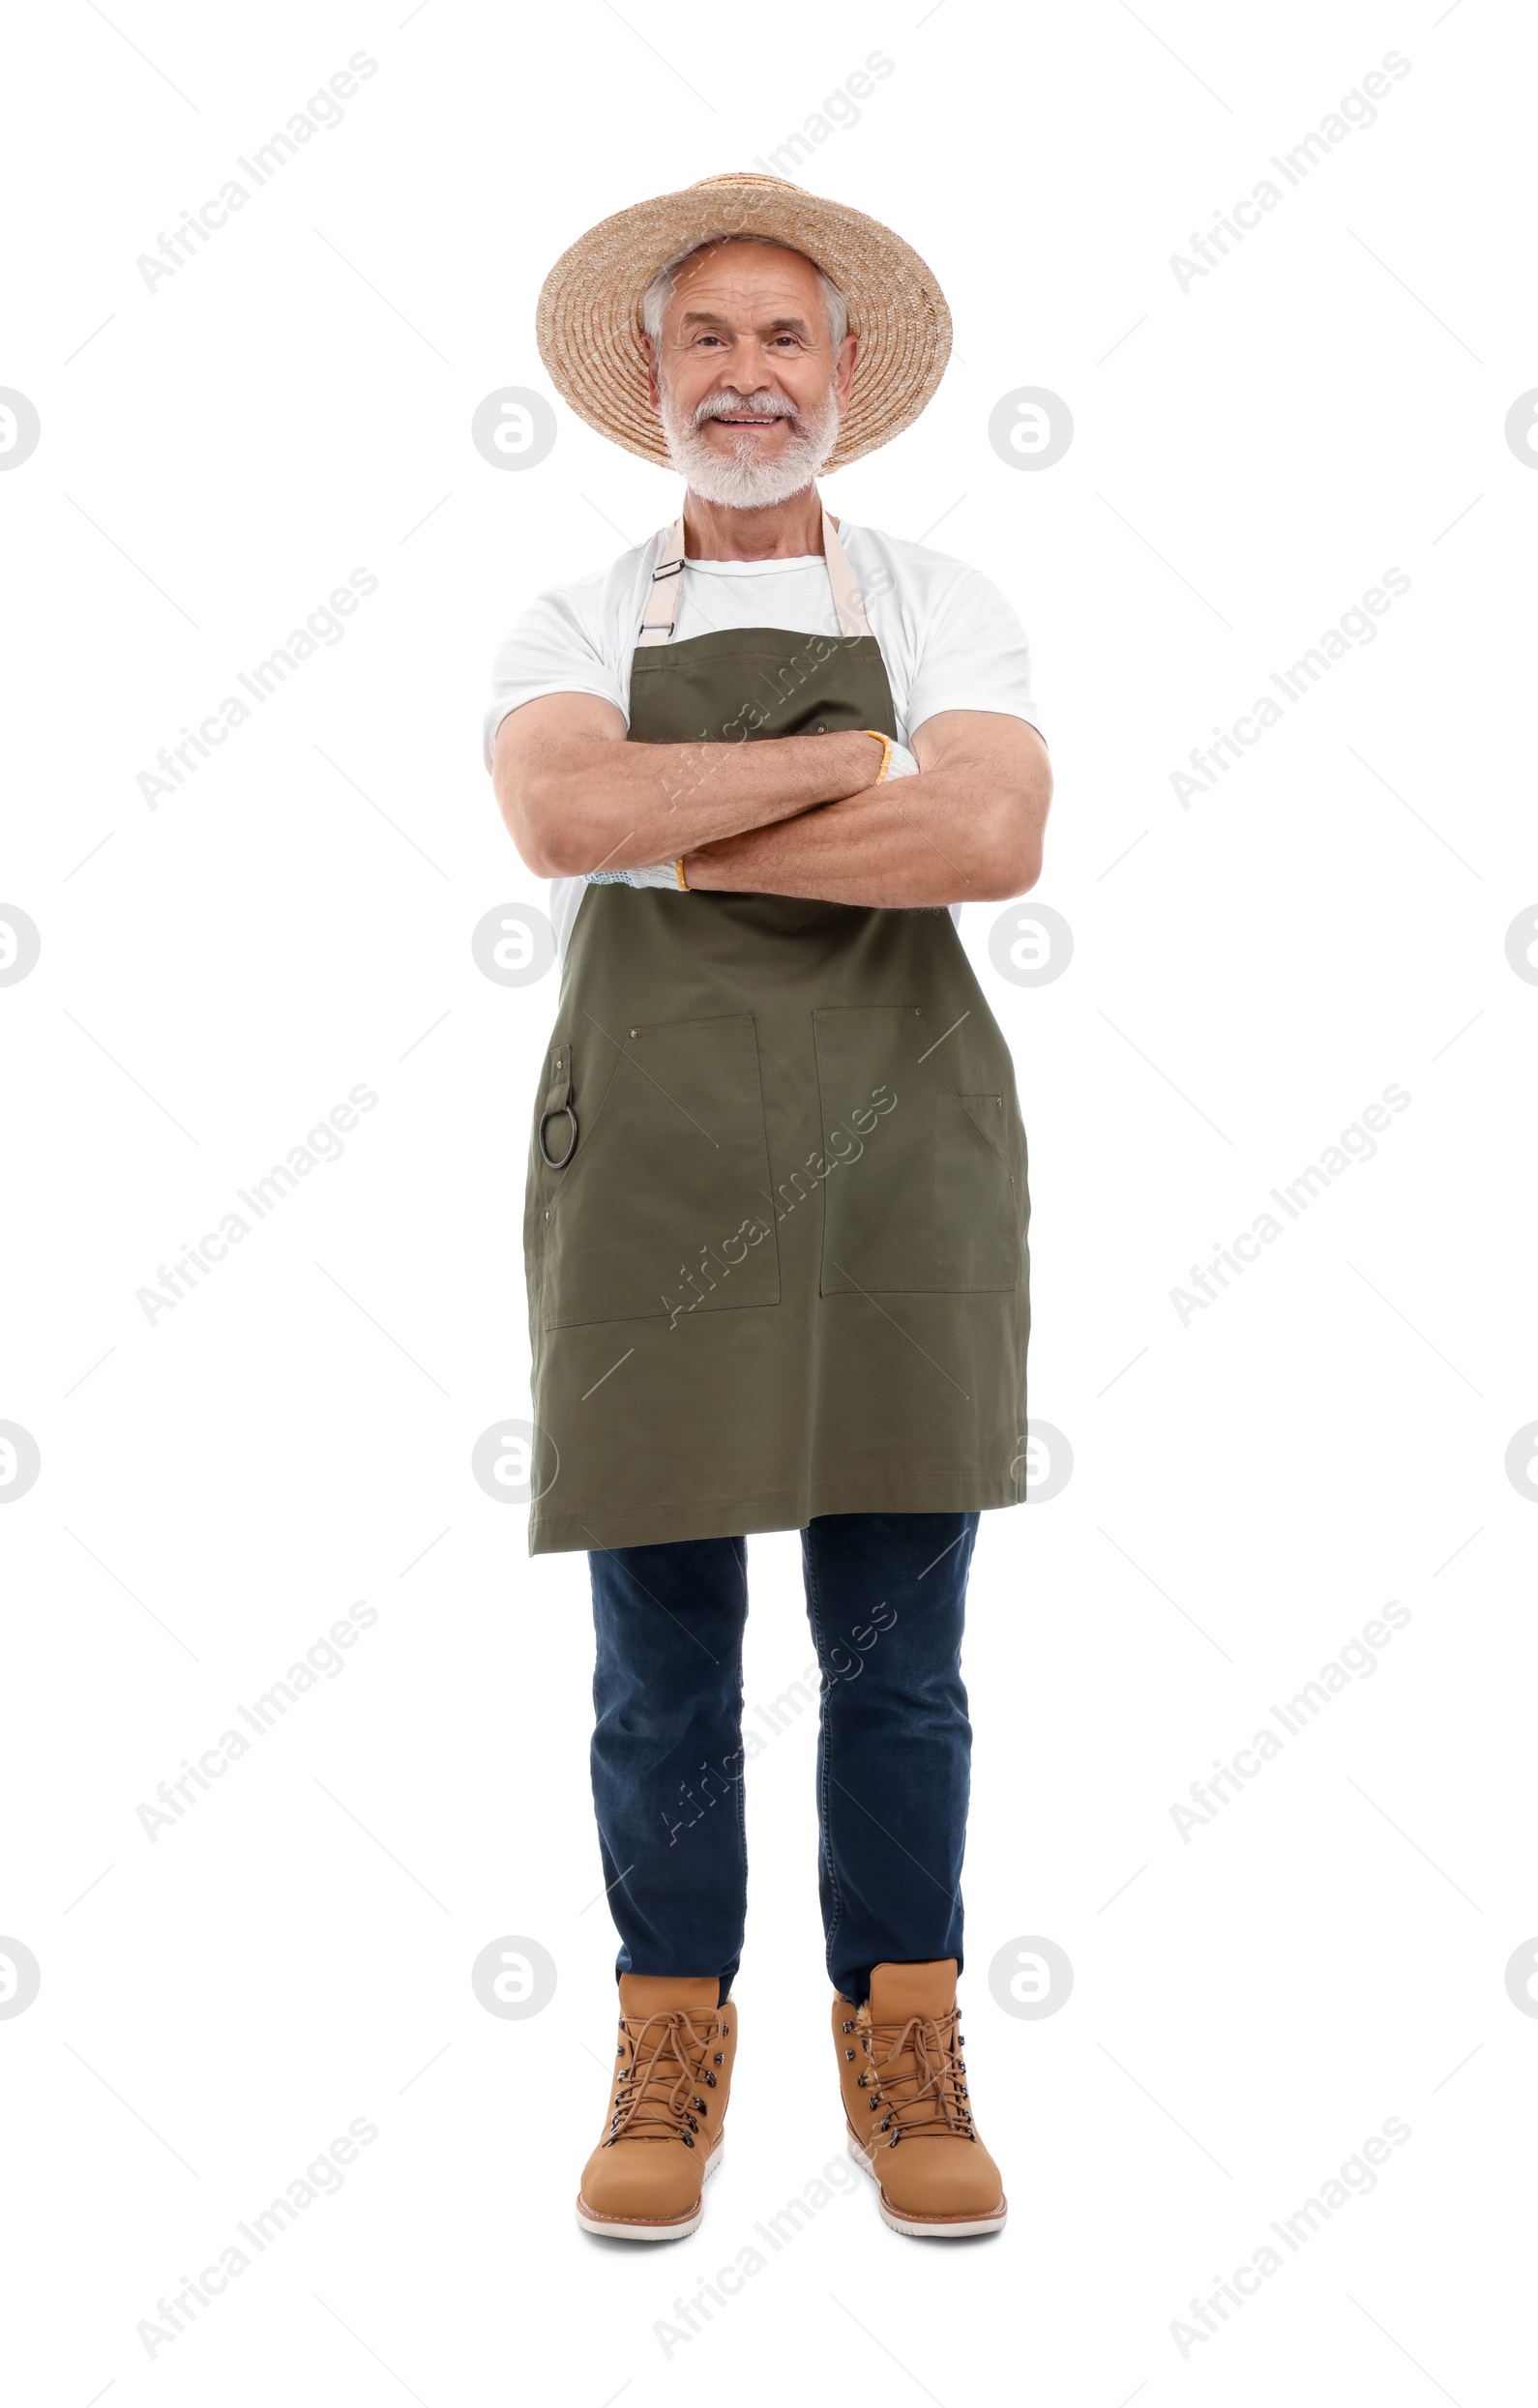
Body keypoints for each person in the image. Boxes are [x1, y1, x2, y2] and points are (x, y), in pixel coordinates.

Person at [485, 172, 1052, 2242]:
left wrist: (686, 826)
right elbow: (562, 804)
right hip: (651, 1182)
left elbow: (985, 835)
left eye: (780, 337)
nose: (745, 375)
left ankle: (902, 2045)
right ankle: (668, 2036)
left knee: (899, 1667)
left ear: (840, 375)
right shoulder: (569, 624)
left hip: (901, 1175)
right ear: (652, 383)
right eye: (704, 339)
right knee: (664, 1668)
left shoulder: (937, 599)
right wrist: (849, 780)